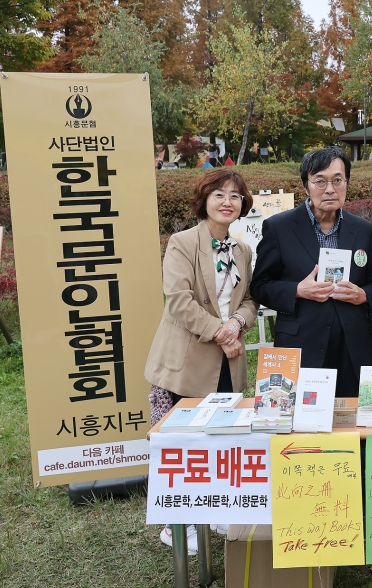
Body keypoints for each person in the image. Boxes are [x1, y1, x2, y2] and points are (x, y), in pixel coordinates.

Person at [143, 168, 258, 553]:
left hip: (228, 362)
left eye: (236, 196)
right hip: (187, 360)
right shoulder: (182, 242)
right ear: (204, 200)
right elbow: (178, 300)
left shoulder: (243, 250)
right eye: (219, 194)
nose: (228, 202)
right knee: (184, 445)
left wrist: (239, 322)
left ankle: (217, 508)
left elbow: (249, 300)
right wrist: (222, 332)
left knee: (223, 439)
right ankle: (179, 523)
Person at [250, 146, 372, 398]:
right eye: (320, 181)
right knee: (300, 426)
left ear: (347, 183)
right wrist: (297, 290)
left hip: (352, 345)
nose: (330, 189)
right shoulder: (279, 228)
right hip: (300, 344)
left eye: (337, 180)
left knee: (352, 425)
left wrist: (363, 296)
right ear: (306, 186)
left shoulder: (364, 230)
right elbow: (260, 285)